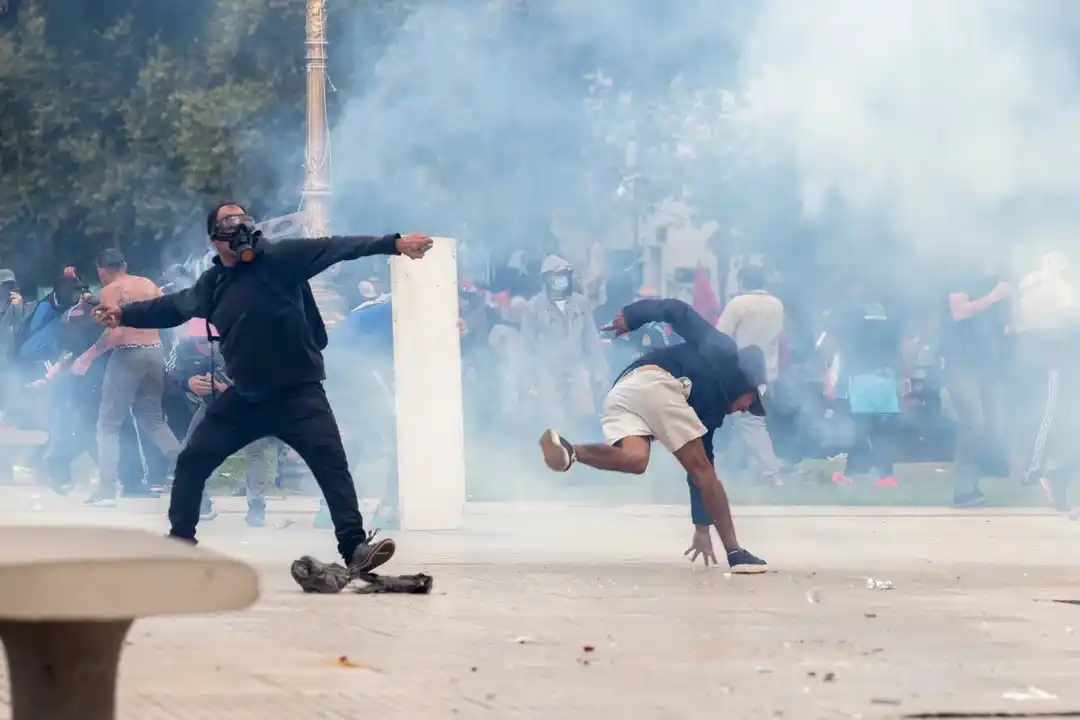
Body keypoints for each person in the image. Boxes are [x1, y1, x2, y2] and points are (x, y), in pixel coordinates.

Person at [91, 201, 433, 573]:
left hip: (299, 394)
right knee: (192, 462)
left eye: (242, 218)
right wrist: (124, 314)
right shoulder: (213, 283)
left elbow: (335, 246)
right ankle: (181, 545)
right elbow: (172, 307)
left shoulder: (282, 258)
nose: (238, 225)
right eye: (227, 220)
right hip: (245, 397)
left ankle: (354, 548)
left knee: (331, 465)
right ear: (213, 239)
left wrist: (393, 243)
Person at [538, 297, 768, 573]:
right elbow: (678, 311)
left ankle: (571, 450)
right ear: (746, 382)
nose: (745, 410)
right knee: (704, 472)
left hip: (623, 390)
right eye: (750, 402)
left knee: (635, 460)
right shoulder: (724, 352)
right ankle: (735, 553)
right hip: (657, 381)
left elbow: (700, 469)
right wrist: (634, 315)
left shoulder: (711, 414)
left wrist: (702, 528)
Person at [72, 249, 182, 505]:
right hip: (155, 352)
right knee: (154, 420)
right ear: (125, 264)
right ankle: (187, 471)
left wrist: (87, 356)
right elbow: (169, 315)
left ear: (102, 270)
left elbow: (116, 334)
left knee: (108, 424)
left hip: (128, 355)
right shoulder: (148, 284)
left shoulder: (110, 290)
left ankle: (107, 490)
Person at [166, 318, 274, 525]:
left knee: (255, 448)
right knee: (187, 452)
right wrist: (187, 383)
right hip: (212, 407)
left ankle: (257, 506)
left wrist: (228, 388)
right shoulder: (182, 345)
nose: (208, 346)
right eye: (201, 341)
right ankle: (200, 503)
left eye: (213, 341)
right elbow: (171, 372)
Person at [941, 262, 1011, 507]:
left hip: (989, 365)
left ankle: (973, 485)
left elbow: (1004, 326)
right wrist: (993, 297)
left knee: (991, 426)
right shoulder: (963, 277)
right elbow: (958, 312)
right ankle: (962, 490)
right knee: (974, 421)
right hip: (962, 363)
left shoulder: (1002, 282)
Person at [715, 264, 785, 486]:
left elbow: (720, 337)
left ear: (742, 282)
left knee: (750, 422)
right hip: (768, 372)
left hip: (742, 372)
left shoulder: (739, 304)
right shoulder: (777, 305)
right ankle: (733, 469)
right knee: (742, 421)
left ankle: (771, 472)